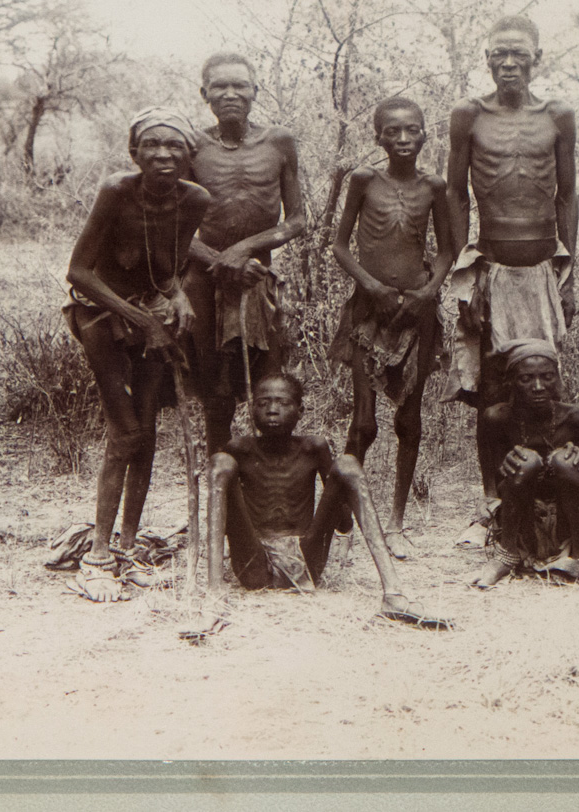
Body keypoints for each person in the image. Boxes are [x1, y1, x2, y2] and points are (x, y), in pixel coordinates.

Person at [63, 107, 211, 602]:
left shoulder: (195, 199)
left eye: (175, 146)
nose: (163, 155)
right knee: (124, 431)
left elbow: (168, 266)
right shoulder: (115, 191)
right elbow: (79, 272)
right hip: (101, 311)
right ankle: (98, 554)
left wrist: (177, 297)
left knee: (146, 431)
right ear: (134, 153)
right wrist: (141, 317)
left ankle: (128, 547)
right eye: (152, 145)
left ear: (190, 156)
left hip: (149, 313)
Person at [446, 16, 578, 544]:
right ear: (487, 60)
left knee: (541, 385)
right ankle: (492, 504)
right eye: (499, 54)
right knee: (490, 395)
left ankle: (543, 498)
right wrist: (465, 274)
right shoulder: (469, 115)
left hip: (544, 266)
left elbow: (567, 195)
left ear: (536, 58)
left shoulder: (558, 115)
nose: (508, 64)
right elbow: (456, 193)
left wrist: (568, 273)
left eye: (518, 55)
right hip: (491, 267)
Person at [208, 373, 452, 629]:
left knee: (347, 463)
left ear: (300, 410)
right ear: (251, 408)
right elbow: (226, 517)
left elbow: (340, 509)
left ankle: (394, 595)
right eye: (263, 403)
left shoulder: (313, 448)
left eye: (282, 403)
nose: (271, 410)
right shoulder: (240, 449)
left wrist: (345, 533)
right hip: (253, 564)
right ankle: (214, 596)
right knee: (220, 462)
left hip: (307, 559)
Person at [330, 97, 454, 559]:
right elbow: (340, 244)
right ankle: (345, 509)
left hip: (417, 313)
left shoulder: (434, 186)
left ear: (425, 134)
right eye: (393, 132)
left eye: (412, 131)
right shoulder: (364, 180)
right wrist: (372, 286)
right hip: (370, 311)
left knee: (409, 418)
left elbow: (447, 249)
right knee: (364, 422)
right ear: (378, 137)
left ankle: (398, 522)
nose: (403, 140)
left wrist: (428, 292)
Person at [186, 52, 306, 456]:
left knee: (269, 388)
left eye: (240, 85)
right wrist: (219, 261)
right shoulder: (192, 144)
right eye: (220, 86)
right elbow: (174, 228)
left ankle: (267, 488)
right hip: (204, 279)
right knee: (216, 393)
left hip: (260, 278)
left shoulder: (279, 140)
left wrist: (245, 249)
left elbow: (298, 220)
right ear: (205, 93)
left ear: (256, 91)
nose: (231, 93)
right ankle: (222, 494)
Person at [471, 341, 579, 593]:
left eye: (547, 377)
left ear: (557, 379)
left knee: (565, 460)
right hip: (520, 518)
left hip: (567, 515)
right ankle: (506, 555)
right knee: (526, 461)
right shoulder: (497, 418)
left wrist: (571, 459)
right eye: (526, 379)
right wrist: (513, 463)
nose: (538, 387)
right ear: (511, 382)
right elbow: (498, 483)